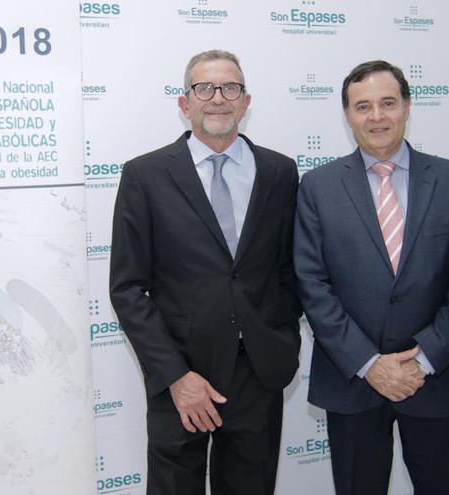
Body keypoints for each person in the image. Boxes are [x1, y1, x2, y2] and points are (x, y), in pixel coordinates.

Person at [109, 49, 301, 495]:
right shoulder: (145, 175)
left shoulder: (279, 172)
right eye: (204, 88)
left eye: (230, 87)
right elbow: (128, 288)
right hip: (181, 375)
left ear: (246, 101)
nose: (218, 98)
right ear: (185, 103)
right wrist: (175, 376)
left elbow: (289, 271)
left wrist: (279, 338)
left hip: (257, 372)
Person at [294, 60, 449, 495]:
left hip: (437, 379)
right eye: (363, 106)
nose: (376, 116)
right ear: (348, 115)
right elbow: (311, 283)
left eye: (388, 103)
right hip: (353, 383)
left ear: (407, 107)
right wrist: (369, 364)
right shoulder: (317, 186)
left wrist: (424, 357)